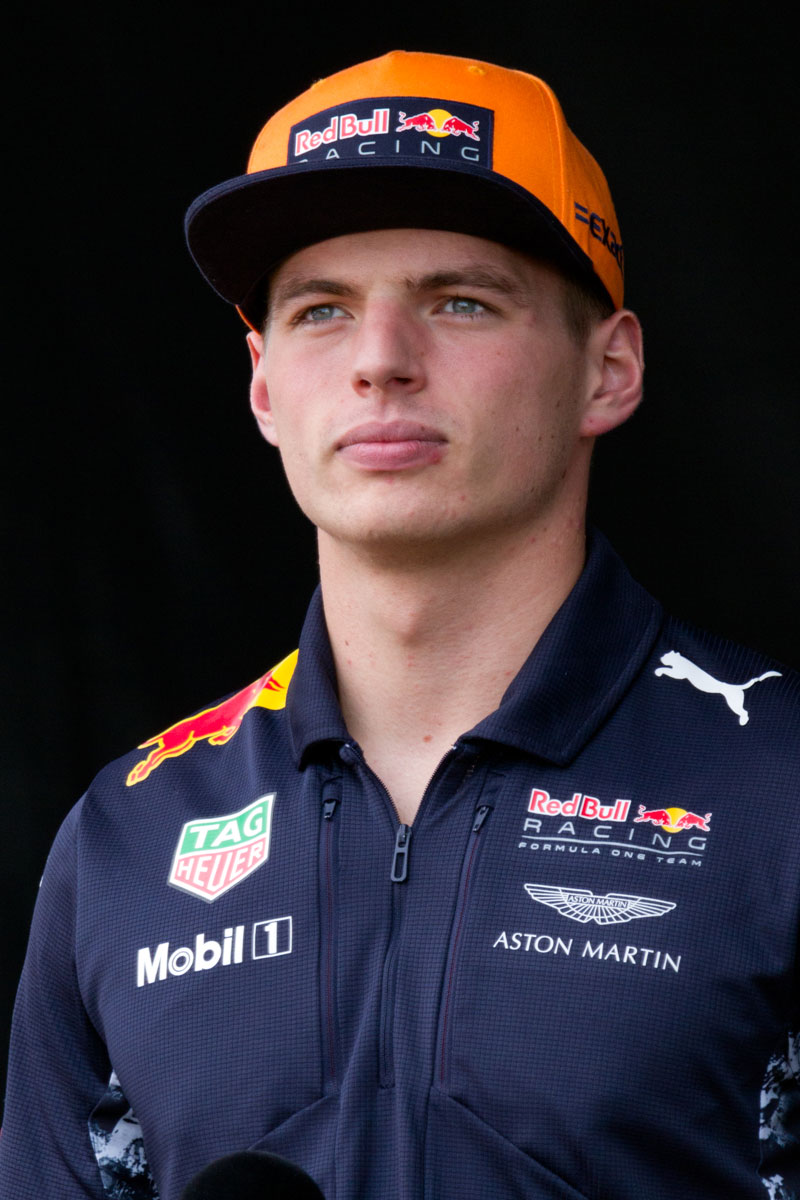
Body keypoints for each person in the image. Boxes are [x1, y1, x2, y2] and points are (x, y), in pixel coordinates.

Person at [1, 49, 797, 1200]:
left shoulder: (777, 790)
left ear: (607, 369)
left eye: (459, 301)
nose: (380, 361)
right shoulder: (126, 836)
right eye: (321, 311)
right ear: (263, 386)